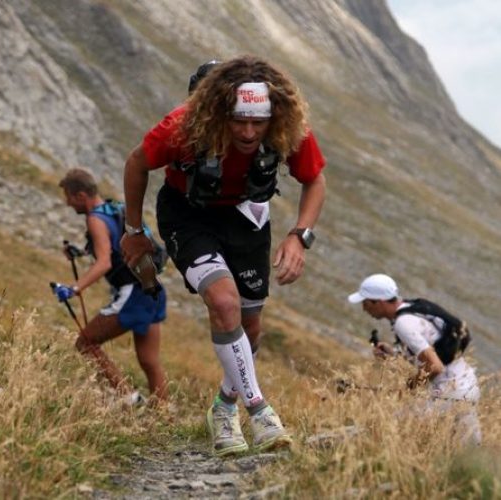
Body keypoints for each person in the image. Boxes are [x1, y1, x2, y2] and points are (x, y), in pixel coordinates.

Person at [121, 55, 327, 455]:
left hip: (247, 218)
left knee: (250, 330)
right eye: (238, 122)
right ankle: (260, 411)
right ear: (217, 112)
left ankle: (223, 407)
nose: (249, 133)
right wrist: (134, 231)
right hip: (188, 216)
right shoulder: (182, 127)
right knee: (223, 302)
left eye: (258, 123)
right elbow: (137, 162)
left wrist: (299, 235)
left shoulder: (287, 124)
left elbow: (314, 178)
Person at [54, 167, 168, 404]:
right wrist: (81, 251)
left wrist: (74, 288)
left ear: (81, 196)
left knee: (86, 342)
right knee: (149, 360)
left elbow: (105, 262)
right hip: (152, 287)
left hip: (133, 293)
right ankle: (164, 414)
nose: (68, 203)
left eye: (69, 197)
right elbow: (117, 245)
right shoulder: (115, 207)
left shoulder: (95, 219)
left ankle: (127, 398)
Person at [348, 273, 481, 445]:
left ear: (379, 302)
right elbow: (433, 348)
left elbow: (435, 366)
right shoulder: (414, 307)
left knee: (384, 427)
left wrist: (409, 387)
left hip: (449, 392)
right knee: (469, 452)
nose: (364, 309)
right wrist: (394, 354)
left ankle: (322, 443)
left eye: (365, 303)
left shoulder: (403, 323)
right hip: (466, 385)